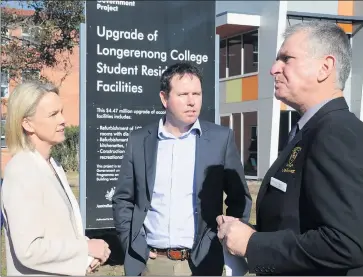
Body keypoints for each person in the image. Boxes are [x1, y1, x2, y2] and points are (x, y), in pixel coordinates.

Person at [217, 21, 363, 275]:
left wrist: (253, 244)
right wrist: (246, 232)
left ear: (324, 67)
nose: (274, 69)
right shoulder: (311, 130)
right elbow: (298, 222)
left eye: (286, 59)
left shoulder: (334, 132)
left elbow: (345, 243)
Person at [112, 62, 252, 276]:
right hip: (152, 263)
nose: (192, 101)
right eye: (183, 94)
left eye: (197, 93)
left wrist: (226, 238)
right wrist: (133, 243)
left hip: (203, 262)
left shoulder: (219, 139)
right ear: (164, 98)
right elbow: (123, 199)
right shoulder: (139, 141)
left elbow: (239, 198)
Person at [1, 81, 111, 276]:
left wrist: (85, 257)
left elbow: (57, 232)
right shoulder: (22, 170)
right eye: (53, 114)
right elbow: (29, 249)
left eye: (61, 112)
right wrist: (85, 249)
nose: (62, 120)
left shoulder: (53, 164)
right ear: (27, 123)